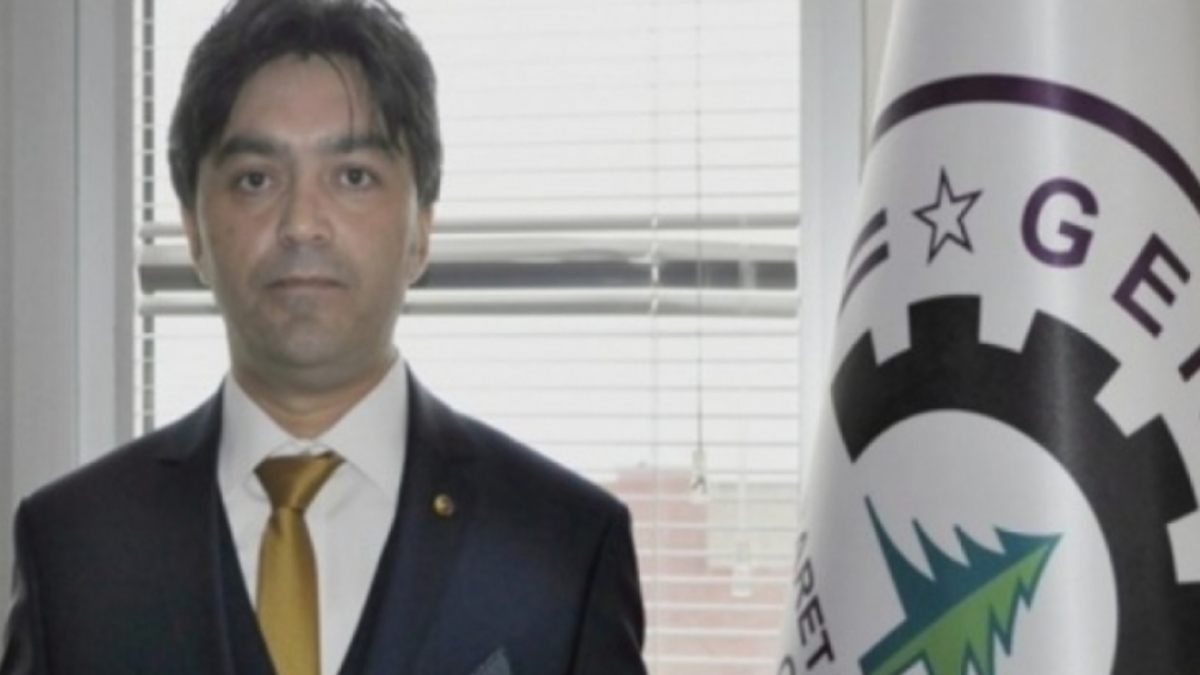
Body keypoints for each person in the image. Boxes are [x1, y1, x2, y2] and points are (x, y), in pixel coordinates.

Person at [0, 1, 648, 673]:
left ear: (421, 232)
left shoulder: (563, 546)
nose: (301, 223)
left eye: (353, 177)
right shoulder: (74, 546)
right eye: (256, 179)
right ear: (193, 233)